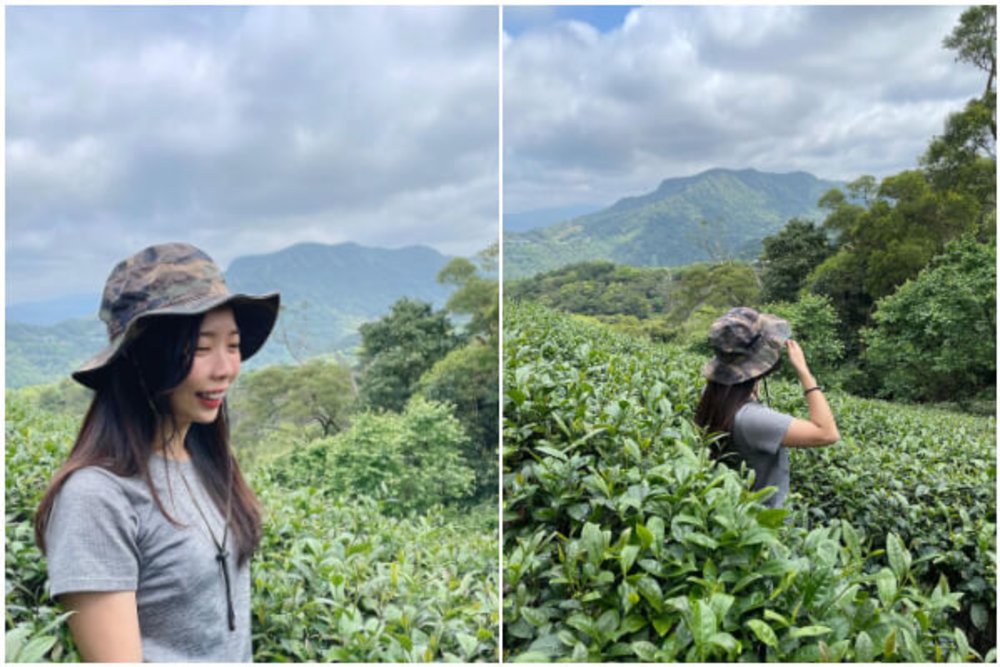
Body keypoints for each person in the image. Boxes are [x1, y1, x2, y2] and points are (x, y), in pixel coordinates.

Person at [33, 243, 280, 661]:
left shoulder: (206, 462)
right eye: (201, 348)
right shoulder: (96, 498)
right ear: (142, 358)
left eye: (232, 345)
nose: (225, 368)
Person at [694, 307, 839, 508]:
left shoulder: (715, 396)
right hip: (765, 523)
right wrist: (805, 373)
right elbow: (827, 433)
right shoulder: (752, 419)